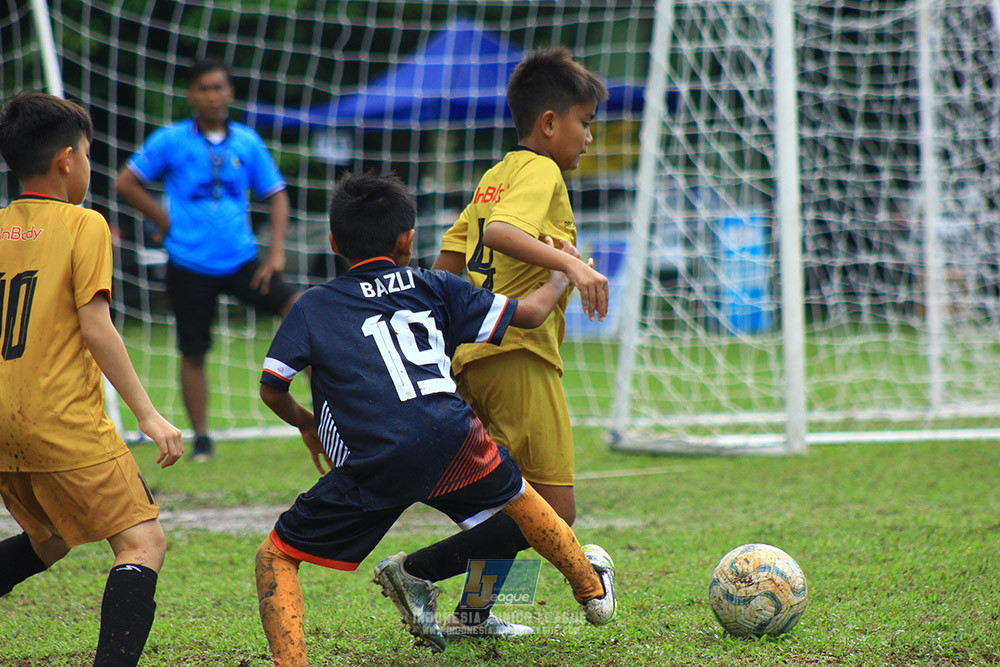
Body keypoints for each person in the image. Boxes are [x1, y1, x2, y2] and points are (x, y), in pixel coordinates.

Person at [253, 172, 615, 665]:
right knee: (526, 501)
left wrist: (306, 422)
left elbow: (271, 385)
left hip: (380, 447)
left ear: (334, 242)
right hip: (473, 412)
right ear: (406, 239)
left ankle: (462, 609)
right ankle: (591, 591)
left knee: (276, 554)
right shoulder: (441, 277)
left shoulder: (314, 304)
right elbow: (529, 313)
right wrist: (559, 273)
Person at [391, 47, 611, 638]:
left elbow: (447, 261)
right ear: (549, 123)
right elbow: (503, 234)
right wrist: (578, 269)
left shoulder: (495, 176)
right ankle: (416, 571)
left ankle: (474, 614)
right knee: (553, 510)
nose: (588, 138)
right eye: (584, 122)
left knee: (509, 497)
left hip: (475, 358)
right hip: (519, 359)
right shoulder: (542, 172)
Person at [0, 92, 184, 666]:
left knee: (50, 539)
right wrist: (148, 414)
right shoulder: (84, 223)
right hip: (60, 419)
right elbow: (96, 327)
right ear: (66, 159)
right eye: (88, 153)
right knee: (142, 542)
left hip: (2, 424)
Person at [115, 57, 298, 461]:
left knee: (302, 308)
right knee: (193, 350)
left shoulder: (247, 141)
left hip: (242, 260)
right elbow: (126, 182)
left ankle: (328, 411)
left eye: (218, 87)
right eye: (203, 88)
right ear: (190, 94)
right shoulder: (170, 140)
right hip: (188, 262)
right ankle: (201, 440)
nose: (212, 95)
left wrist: (276, 253)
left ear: (230, 92)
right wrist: (162, 218)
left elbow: (277, 196)